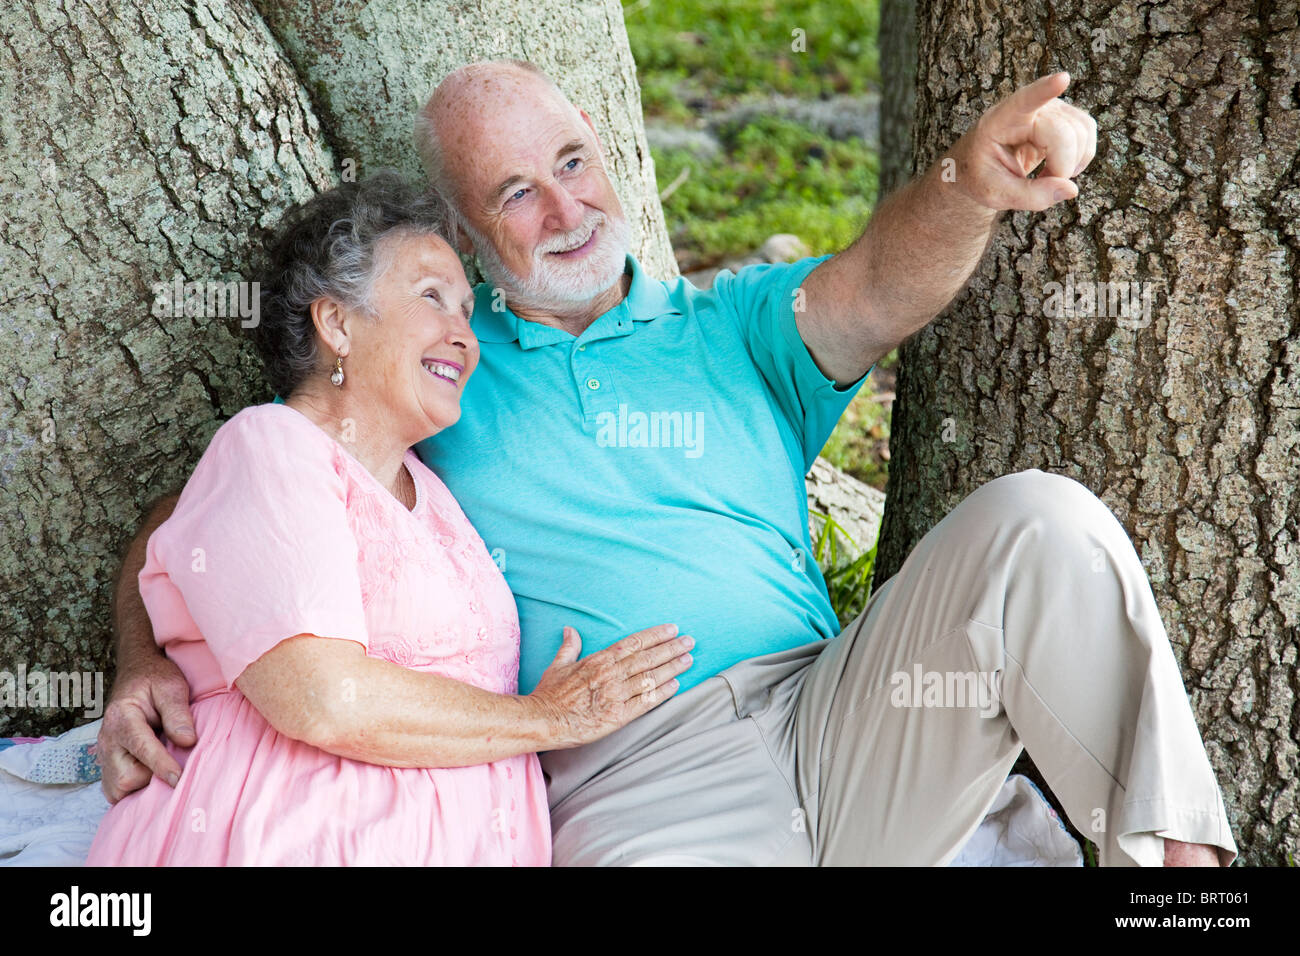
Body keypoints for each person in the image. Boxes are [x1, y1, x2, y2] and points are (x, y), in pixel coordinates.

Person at [99, 61, 1237, 866]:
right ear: (467, 234)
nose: (565, 207)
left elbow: (880, 284)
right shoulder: (440, 363)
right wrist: (143, 662)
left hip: (841, 709)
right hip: (630, 780)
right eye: (515, 192)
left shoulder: (732, 323)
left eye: (572, 161)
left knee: (1042, 519)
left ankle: (1181, 879)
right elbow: (222, 509)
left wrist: (971, 183)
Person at [86, 171, 692, 866]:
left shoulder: (434, 491)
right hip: (290, 836)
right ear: (337, 323)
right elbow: (320, 698)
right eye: (432, 297)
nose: (465, 336)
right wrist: (549, 718)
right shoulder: (273, 444)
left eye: (467, 311)